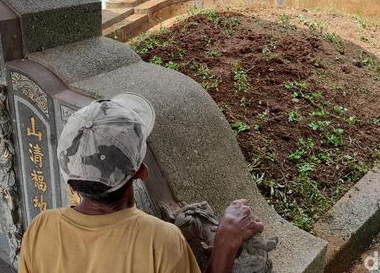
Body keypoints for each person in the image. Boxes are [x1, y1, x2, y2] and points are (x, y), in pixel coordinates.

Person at [19, 93, 264, 273]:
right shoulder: (160, 241)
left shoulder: (40, 229)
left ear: (71, 178)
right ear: (141, 173)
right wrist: (226, 242)